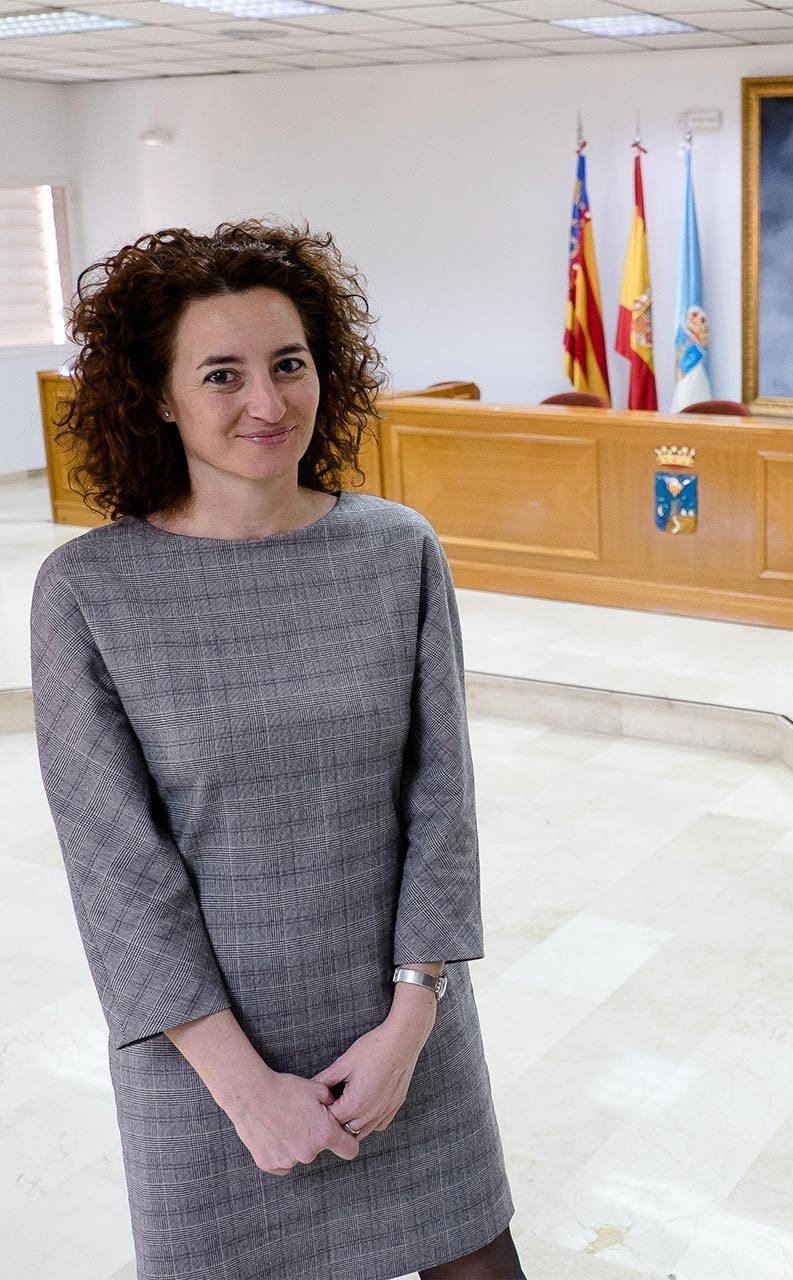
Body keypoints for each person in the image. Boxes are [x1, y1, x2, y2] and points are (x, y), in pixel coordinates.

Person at [32, 221, 523, 1280]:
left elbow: (443, 800)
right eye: (222, 373)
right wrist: (242, 1081)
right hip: (204, 1058)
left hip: (399, 1022)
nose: (267, 402)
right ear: (159, 395)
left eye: (288, 363)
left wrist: (411, 1016)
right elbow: (117, 871)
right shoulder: (89, 591)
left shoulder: (398, 551)